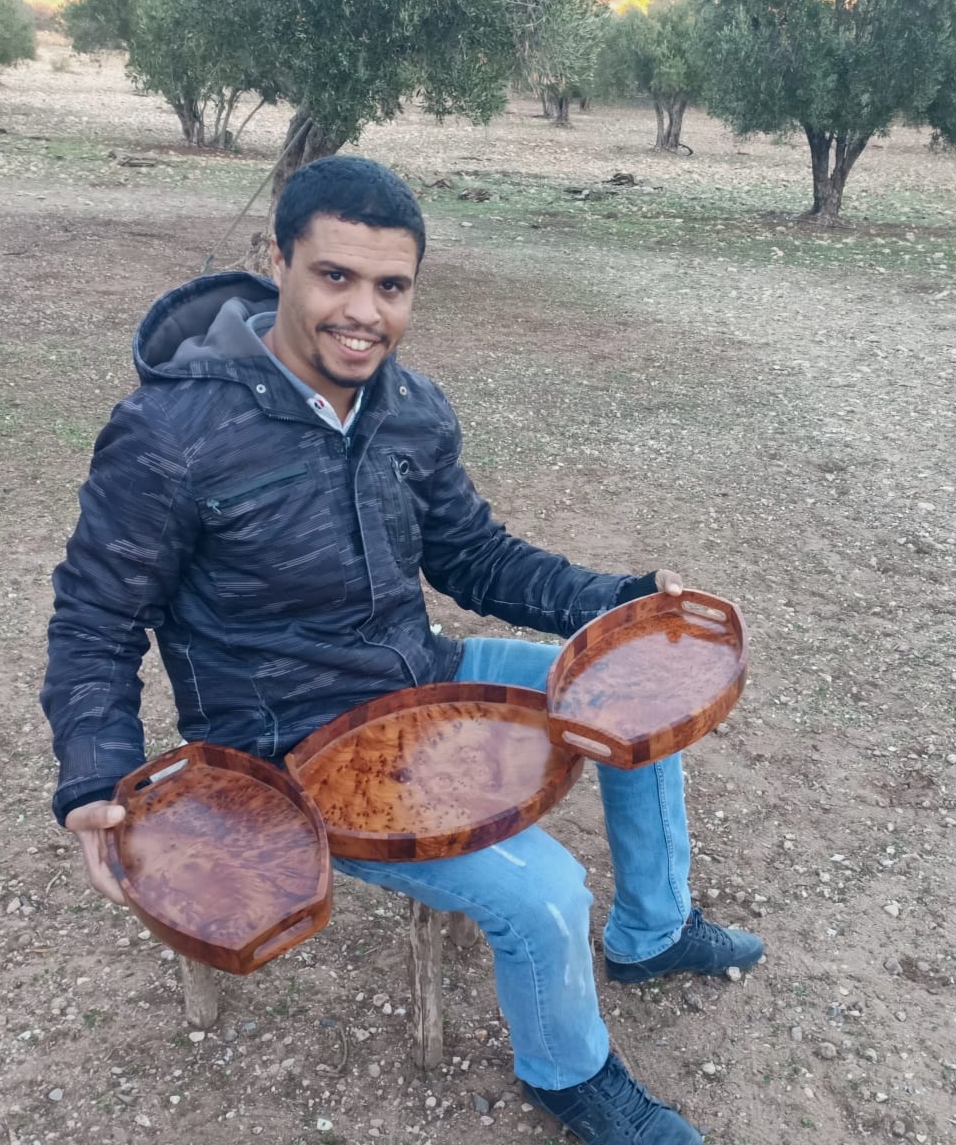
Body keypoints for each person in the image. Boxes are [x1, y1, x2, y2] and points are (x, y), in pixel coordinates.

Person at [41, 156, 764, 1145]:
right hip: (294, 748)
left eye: (391, 286)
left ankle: (653, 930)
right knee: (547, 893)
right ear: (277, 260)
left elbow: (475, 555)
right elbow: (94, 619)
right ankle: (569, 1071)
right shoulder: (170, 434)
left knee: (627, 699)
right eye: (335, 276)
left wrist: (618, 602)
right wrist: (93, 775)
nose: (364, 312)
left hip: (420, 678)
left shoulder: (409, 408)